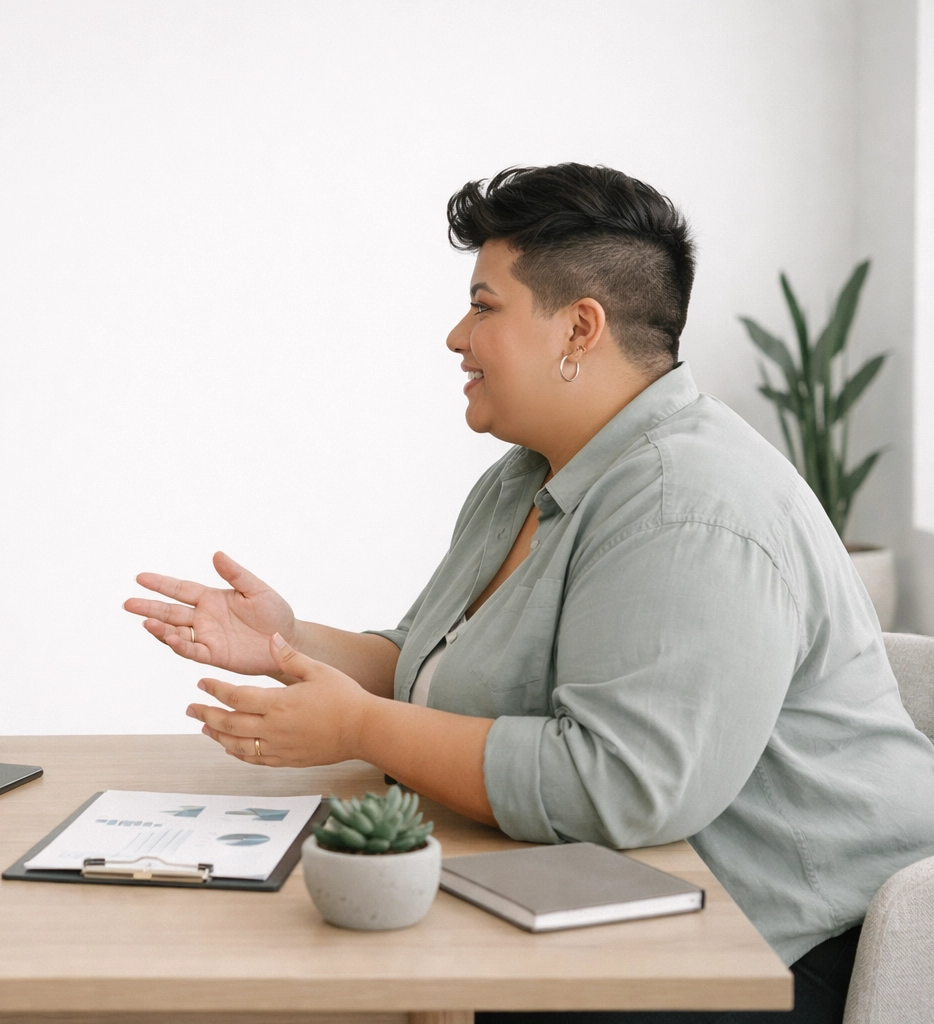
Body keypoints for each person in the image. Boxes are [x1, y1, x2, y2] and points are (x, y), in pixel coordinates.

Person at [125, 164, 934, 1023]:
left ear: (578, 330)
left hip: (793, 950)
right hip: (620, 899)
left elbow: (618, 787)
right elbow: (430, 666)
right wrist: (287, 644)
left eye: (484, 305)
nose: (454, 336)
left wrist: (358, 727)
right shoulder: (527, 477)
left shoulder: (686, 505)